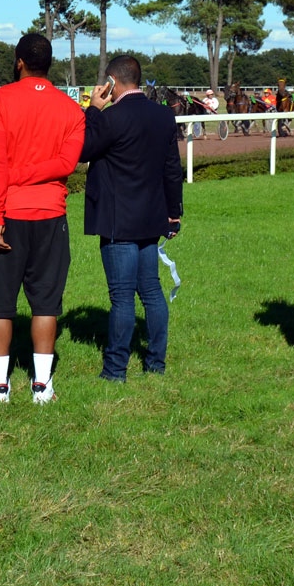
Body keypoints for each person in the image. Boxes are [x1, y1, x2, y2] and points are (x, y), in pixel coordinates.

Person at [0, 33, 86, 404]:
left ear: (18, 61)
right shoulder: (71, 109)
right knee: (46, 303)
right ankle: (41, 385)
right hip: (51, 215)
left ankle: (0, 385)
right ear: (49, 63)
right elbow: (67, 165)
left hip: (8, 211)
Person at [81, 55, 184, 382]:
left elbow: (83, 149)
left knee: (122, 297)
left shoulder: (111, 117)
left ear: (111, 81)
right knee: (151, 291)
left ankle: (114, 371)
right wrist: (174, 213)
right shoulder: (164, 116)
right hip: (152, 216)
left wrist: (93, 110)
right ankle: (156, 364)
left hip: (117, 220)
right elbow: (172, 169)